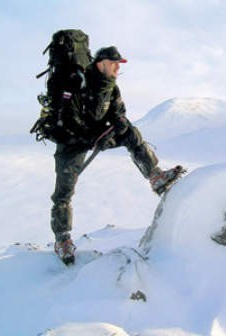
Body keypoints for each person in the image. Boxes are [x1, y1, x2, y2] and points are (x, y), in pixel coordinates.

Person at [51, 46, 183, 265]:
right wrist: (95, 137)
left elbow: (118, 113)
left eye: (118, 64)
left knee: (130, 132)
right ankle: (62, 240)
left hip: (96, 136)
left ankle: (155, 176)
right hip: (70, 143)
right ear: (100, 63)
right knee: (63, 192)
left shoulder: (111, 88)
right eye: (113, 63)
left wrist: (119, 123)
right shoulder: (77, 84)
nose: (117, 68)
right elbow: (68, 123)